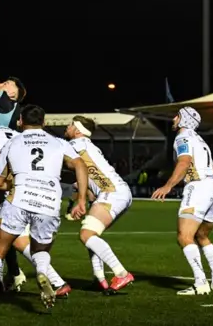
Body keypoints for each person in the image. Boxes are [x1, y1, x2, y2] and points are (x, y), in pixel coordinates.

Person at [0, 105, 89, 316]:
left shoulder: (12, 143)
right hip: (49, 202)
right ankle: (43, 273)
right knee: (40, 250)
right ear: (44, 123)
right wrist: (81, 199)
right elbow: (81, 165)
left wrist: (17, 183)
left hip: (19, 200)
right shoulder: (59, 142)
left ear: (20, 121)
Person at [0, 117, 71, 297]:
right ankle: (11, 278)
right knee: (5, 236)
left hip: (9, 189)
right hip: (29, 186)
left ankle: (1, 285)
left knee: (8, 239)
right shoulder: (14, 133)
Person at [152, 106, 213, 295]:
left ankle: (200, 283)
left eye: (177, 116)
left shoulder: (182, 137)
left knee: (184, 236)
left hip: (197, 186)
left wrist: (168, 185)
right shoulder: (201, 141)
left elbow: (184, 162)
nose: (173, 119)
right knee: (202, 236)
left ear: (184, 119)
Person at [65, 116, 134, 293]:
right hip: (114, 192)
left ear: (78, 130)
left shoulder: (77, 144)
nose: (67, 126)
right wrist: (82, 198)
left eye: (71, 124)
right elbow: (86, 178)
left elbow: (59, 161)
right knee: (92, 235)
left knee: (86, 234)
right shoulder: (86, 146)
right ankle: (100, 279)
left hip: (112, 192)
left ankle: (121, 273)